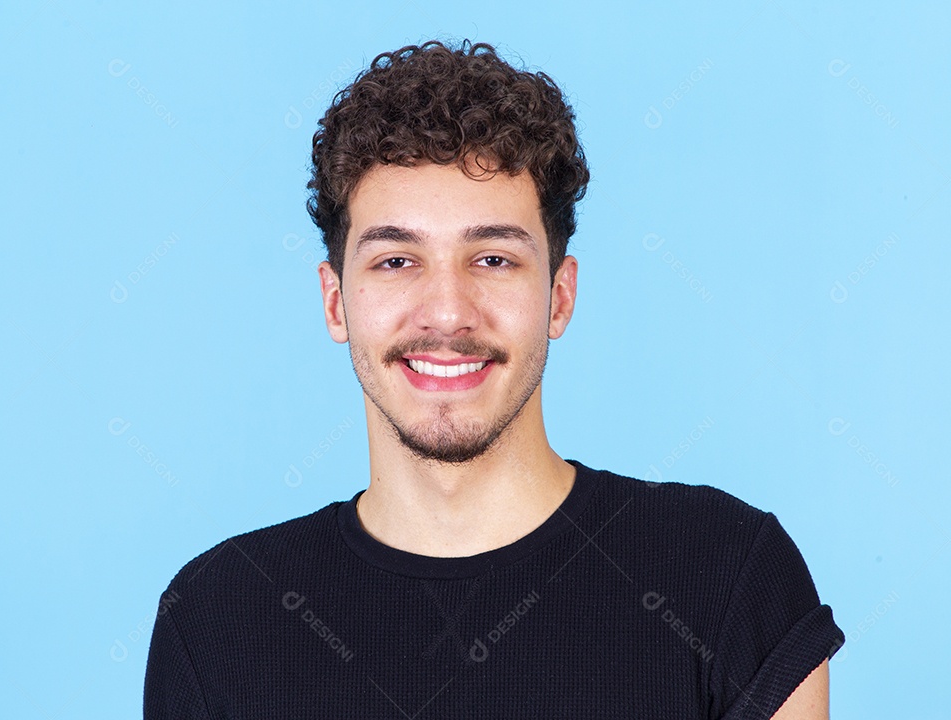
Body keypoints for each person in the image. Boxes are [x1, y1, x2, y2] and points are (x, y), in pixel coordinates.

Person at [143, 39, 844, 719]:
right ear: (336, 301)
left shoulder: (723, 575)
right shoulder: (219, 618)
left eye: (493, 260)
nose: (447, 313)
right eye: (396, 261)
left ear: (559, 297)